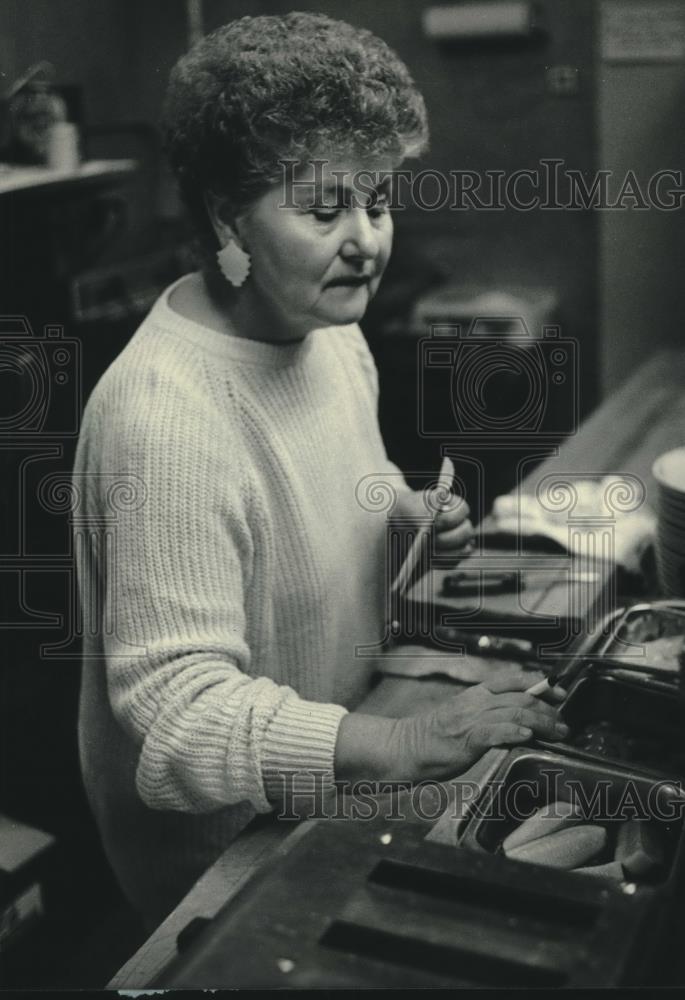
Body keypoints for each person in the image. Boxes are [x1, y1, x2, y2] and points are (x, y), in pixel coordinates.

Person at [73, 11, 566, 929]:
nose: (367, 239)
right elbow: (177, 716)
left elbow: (325, 511)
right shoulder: (166, 415)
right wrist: (404, 741)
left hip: (330, 782)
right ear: (228, 218)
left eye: (376, 201)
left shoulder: (329, 337)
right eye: (324, 207)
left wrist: (402, 520)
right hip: (221, 860)